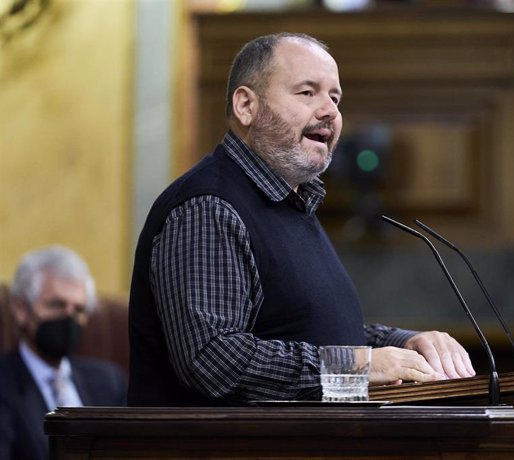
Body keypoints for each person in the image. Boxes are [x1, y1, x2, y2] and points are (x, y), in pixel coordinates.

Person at [128, 32, 475, 406]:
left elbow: (308, 333)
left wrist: (401, 343)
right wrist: (358, 367)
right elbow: (213, 359)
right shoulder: (209, 206)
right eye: (307, 93)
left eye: (335, 97)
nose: (329, 111)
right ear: (247, 105)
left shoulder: (290, 202)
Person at [0, 245, 127, 460]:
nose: (69, 319)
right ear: (21, 310)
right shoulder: (4, 383)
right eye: (57, 305)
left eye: (78, 310)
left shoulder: (109, 382)